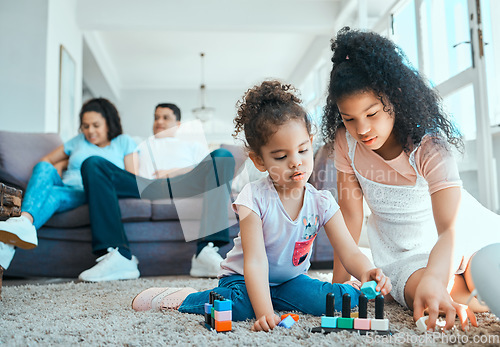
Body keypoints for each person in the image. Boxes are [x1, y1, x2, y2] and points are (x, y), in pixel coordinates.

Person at [130, 80, 391, 332]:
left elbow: (349, 252)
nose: (296, 163)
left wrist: (367, 270)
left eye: (302, 151)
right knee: (240, 308)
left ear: (310, 144)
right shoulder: (253, 198)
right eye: (281, 156)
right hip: (242, 280)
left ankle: (319, 293)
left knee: (333, 301)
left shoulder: (321, 201)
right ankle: (183, 297)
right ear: (259, 160)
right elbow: (255, 262)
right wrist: (264, 311)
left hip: (290, 281)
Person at [323, 27, 500, 331]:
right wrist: (338, 286)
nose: (362, 128)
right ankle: (450, 288)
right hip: (404, 254)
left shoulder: (429, 146)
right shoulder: (345, 142)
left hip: (458, 235)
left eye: (372, 113)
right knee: (428, 296)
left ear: (396, 97)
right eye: (349, 118)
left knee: (483, 273)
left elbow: (450, 230)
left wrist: (437, 275)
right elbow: (350, 215)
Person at [78, 103, 234, 282]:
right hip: (147, 186)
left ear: (178, 124)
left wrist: (174, 172)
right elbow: (129, 171)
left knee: (223, 155)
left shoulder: (192, 145)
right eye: (156, 117)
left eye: (165, 117)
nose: (159, 121)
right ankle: (119, 255)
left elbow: (208, 170)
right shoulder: (140, 144)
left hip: (184, 183)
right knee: (93, 164)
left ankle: (206, 250)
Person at [0, 98, 137, 273]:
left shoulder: (123, 141)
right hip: (64, 186)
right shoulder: (78, 141)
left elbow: (130, 177)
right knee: (43, 167)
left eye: (96, 125)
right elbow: (47, 160)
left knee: (54, 196)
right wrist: (60, 166)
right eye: (86, 126)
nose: (90, 131)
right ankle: (24, 221)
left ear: (109, 123)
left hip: (86, 191)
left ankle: (8, 244)